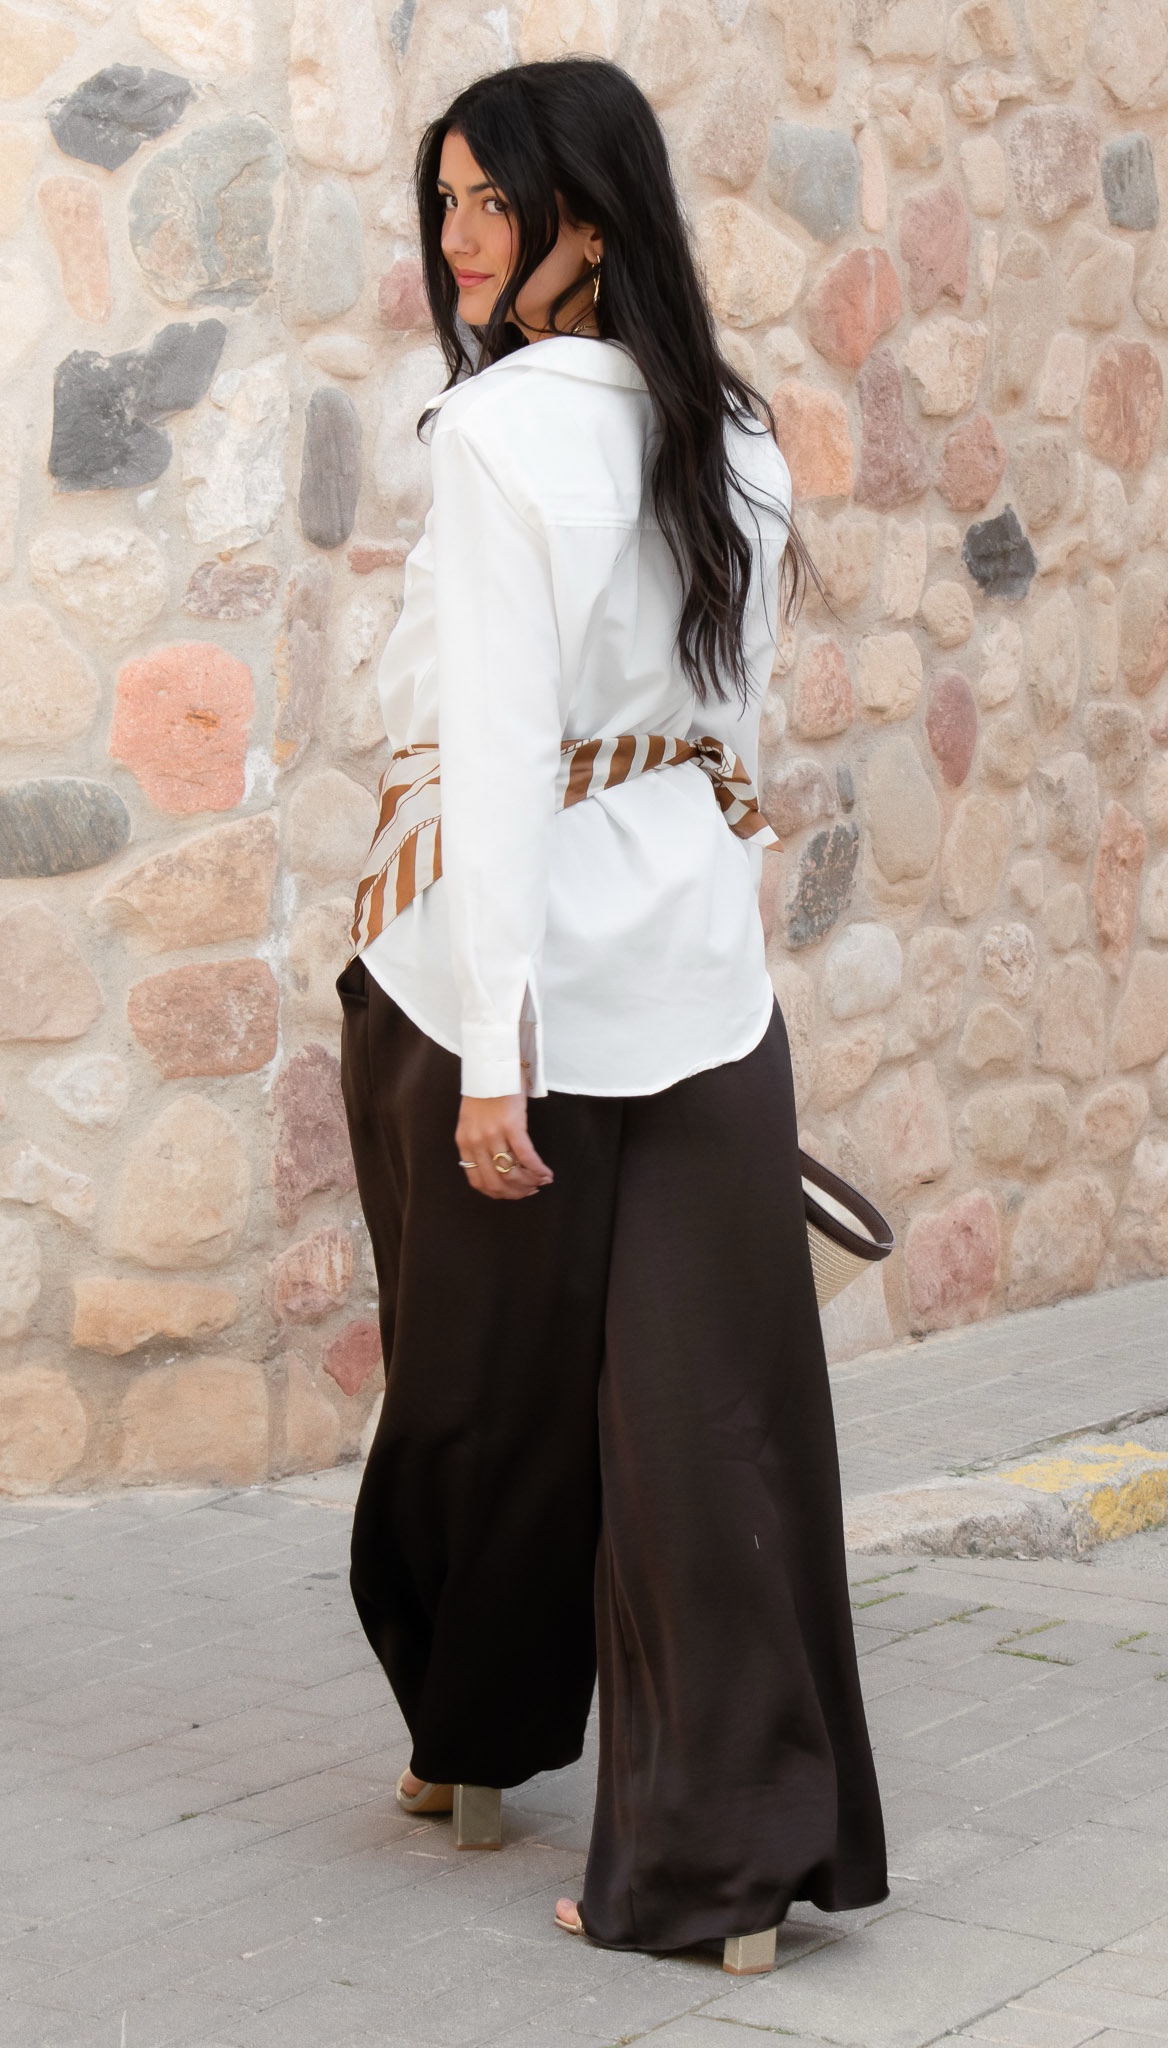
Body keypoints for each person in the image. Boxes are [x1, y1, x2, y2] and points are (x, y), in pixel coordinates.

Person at [336, 54, 887, 1970]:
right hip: (697, 980)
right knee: (717, 1428)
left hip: (481, 981)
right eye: (446, 203)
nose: (459, 239)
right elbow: (731, 739)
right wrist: (697, 943)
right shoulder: (734, 431)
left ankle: (471, 1737)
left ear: (586, 214)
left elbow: (495, 756)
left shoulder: (498, 436)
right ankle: (727, 1866)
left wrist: (499, 1053)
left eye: (493, 202)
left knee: (474, 1406)